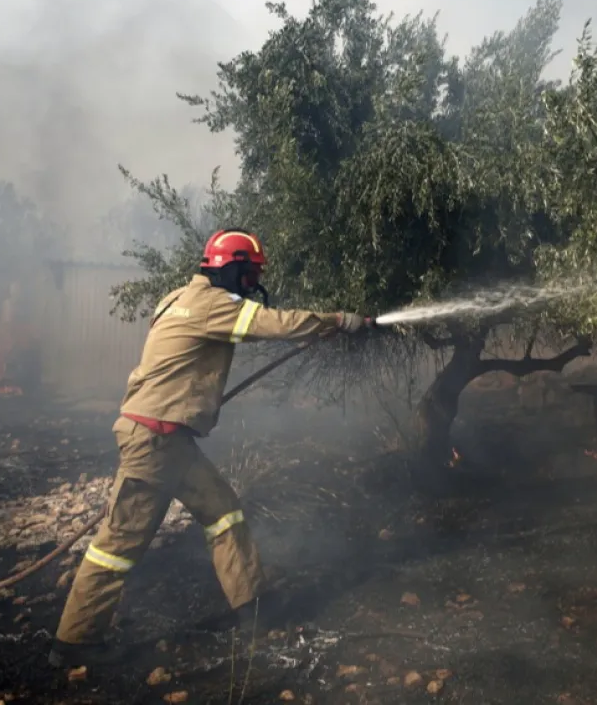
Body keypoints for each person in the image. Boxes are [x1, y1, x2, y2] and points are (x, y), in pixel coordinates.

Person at [48, 228, 368, 668]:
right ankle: (75, 641)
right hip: (156, 441)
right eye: (249, 274)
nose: (251, 284)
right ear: (232, 268)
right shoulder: (212, 304)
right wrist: (336, 320)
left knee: (223, 512)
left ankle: (253, 607)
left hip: (168, 439)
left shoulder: (176, 298)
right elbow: (272, 324)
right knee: (118, 543)